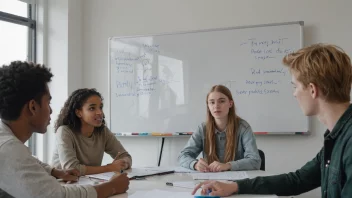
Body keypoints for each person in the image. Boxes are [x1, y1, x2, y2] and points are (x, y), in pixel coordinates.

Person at [192, 44, 352, 197]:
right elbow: (297, 181)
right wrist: (235, 186)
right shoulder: (336, 137)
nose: (294, 94)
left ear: (312, 90)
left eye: (295, 86)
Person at [0, 61, 129, 198]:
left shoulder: (8, 143)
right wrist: (112, 187)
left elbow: (29, 161)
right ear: (33, 107)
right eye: (48, 102)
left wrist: (55, 172)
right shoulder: (8, 148)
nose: (51, 110)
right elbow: (58, 195)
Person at [178, 85, 261, 172]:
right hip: (210, 180)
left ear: (230, 104)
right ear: (208, 106)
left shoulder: (243, 128)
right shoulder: (203, 129)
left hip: (236, 182)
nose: (216, 106)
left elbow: (255, 161)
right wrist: (194, 164)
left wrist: (228, 165)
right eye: (212, 102)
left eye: (221, 101)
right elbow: (183, 156)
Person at [52, 88, 132, 176]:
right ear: (79, 113)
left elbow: (125, 156)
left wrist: (123, 163)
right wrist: (109, 168)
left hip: (88, 182)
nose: (99, 112)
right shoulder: (64, 131)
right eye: (92, 108)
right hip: (62, 184)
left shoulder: (102, 131)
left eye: (100, 107)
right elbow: (71, 168)